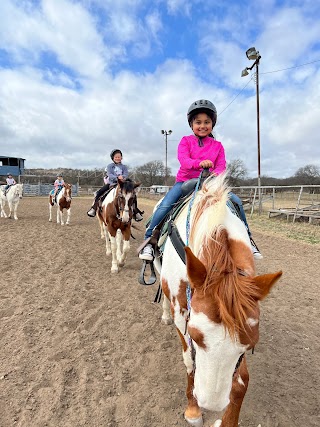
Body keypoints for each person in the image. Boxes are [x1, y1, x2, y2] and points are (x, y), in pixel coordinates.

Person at [139, 99, 263, 261]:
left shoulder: (218, 146)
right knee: (165, 205)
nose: (202, 125)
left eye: (207, 122)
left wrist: (215, 176)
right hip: (185, 183)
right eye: (198, 122)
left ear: (212, 124)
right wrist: (199, 164)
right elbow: (184, 160)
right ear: (192, 125)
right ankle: (149, 240)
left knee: (236, 202)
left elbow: (221, 167)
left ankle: (248, 239)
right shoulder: (185, 141)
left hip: (209, 184)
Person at [87, 149, 144, 221]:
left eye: (119, 157)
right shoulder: (110, 166)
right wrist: (117, 178)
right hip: (112, 184)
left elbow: (126, 174)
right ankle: (94, 208)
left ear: (121, 158)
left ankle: (135, 211)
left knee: (132, 196)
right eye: (116, 157)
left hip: (123, 184)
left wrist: (123, 177)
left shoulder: (124, 167)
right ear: (113, 158)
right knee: (100, 192)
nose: (117, 158)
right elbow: (110, 174)